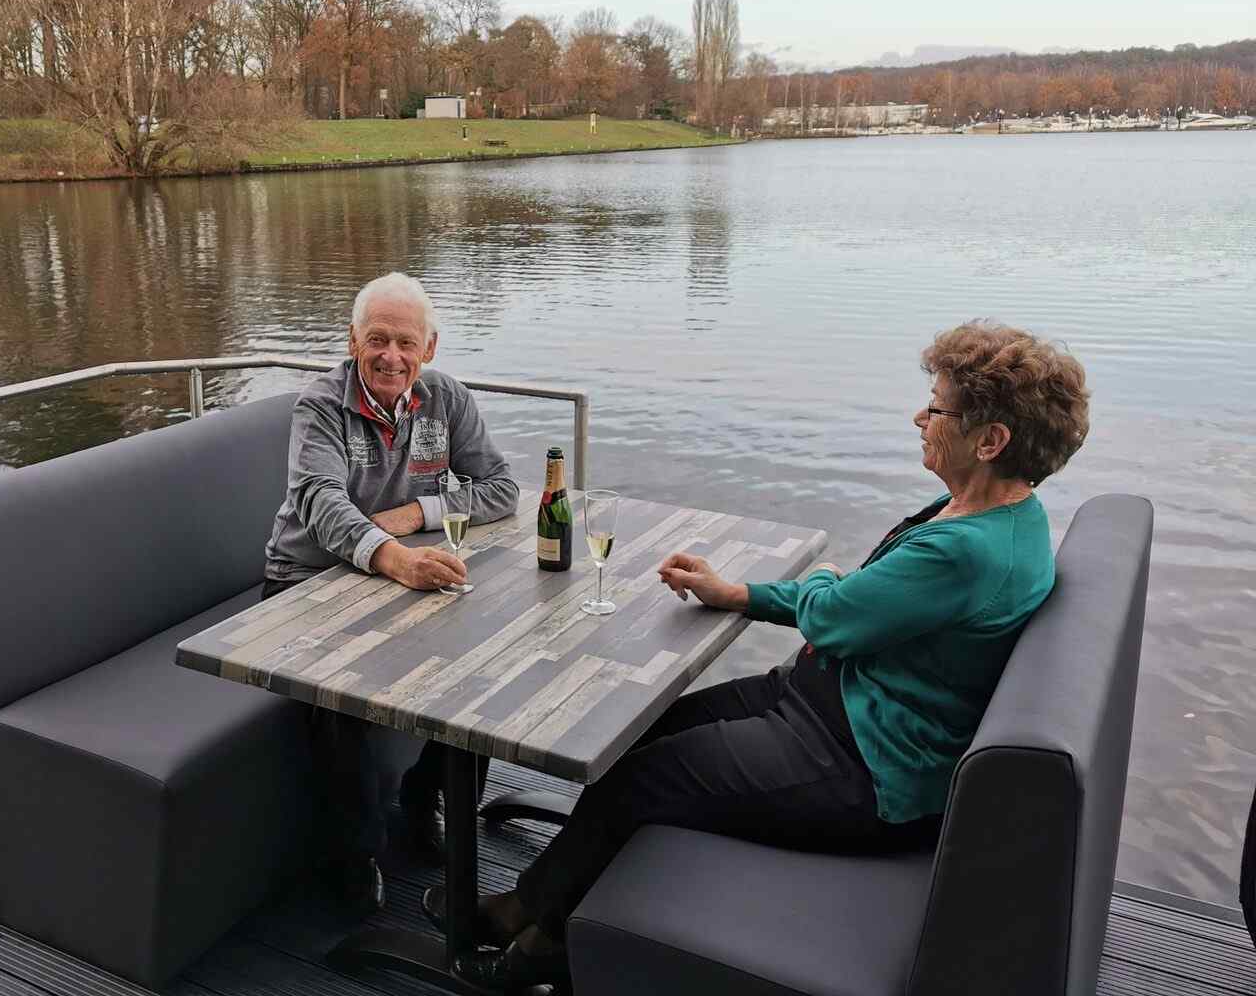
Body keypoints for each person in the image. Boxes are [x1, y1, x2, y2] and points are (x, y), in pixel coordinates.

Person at [425, 320, 1090, 989]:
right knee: (628, 739)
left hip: (863, 768)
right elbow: (860, 604)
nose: (919, 416)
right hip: (823, 706)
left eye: (937, 407)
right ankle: (562, 902)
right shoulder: (993, 513)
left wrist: (828, 580)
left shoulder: (967, 550)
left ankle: (533, 936)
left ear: (991, 440)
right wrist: (740, 591)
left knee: (639, 780)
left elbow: (834, 614)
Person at [264, 271, 519, 917]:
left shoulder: (446, 398)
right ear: (353, 340)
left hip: (400, 569)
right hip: (309, 580)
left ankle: (427, 803)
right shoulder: (319, 406)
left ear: (428, 349)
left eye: (406, 342)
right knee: (338, 700)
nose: (391, 356)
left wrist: (415, 514)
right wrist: (393, 558)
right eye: (377, 339)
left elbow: (500, 488)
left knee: (479, 661)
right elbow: (320, 501)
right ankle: (353, 853)